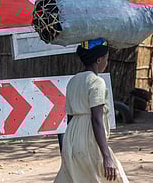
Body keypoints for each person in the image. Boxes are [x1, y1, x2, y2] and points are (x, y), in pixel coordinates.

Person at [55, 38, 129, 183]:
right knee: (113, 177)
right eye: (107, 59)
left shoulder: (73, 81)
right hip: (90, 139)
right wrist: (106, 156)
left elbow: (70, 118)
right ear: (99, 60)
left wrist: (67, 147)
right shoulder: (97, 82)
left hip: (71, 139)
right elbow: (96, 120)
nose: (107, 62)